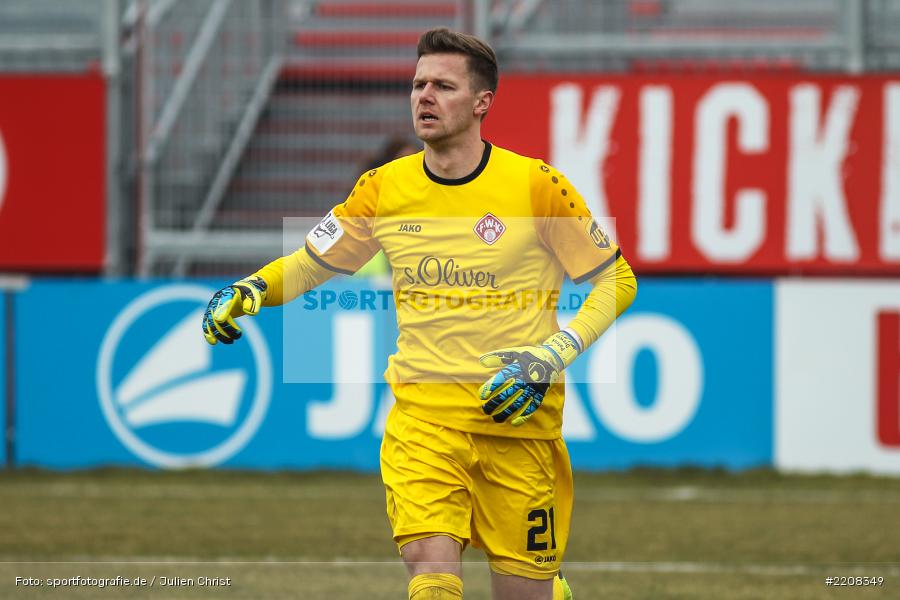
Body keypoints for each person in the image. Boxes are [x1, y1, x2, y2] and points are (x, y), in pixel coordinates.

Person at [202, 28, 637, 600]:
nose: (424, 96)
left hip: (518, 424)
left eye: (443, 86)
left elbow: (615, 277)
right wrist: (252, 288)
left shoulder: (536, 185)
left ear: (482, 103)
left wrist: (553, 352)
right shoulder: (382, 188)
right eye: (418, 84)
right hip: (423, 421)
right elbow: (311, 264)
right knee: (430, 569)